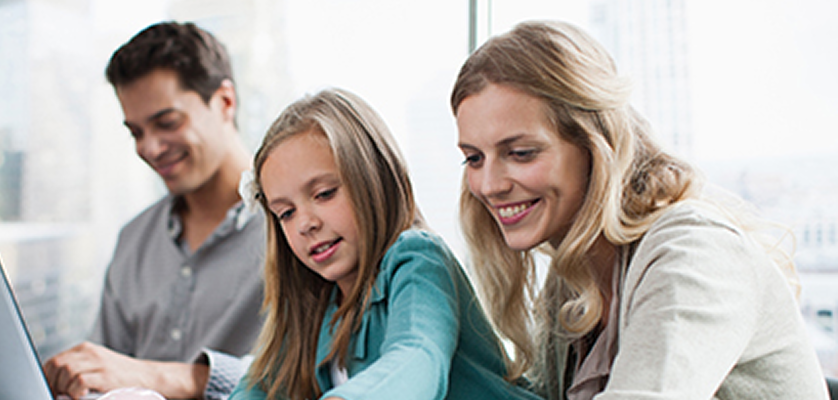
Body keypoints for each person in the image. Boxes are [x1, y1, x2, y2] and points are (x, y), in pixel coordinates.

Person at [451, 20, 830, 399]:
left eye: (520, 154)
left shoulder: (694, 254)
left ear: (596, 146)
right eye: (474, 159)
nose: (489, 185)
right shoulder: (573, 283)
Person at [229, 88, 540, 400]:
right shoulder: (317, 305)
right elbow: (260, 387)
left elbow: (418, 356)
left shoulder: (418, 259)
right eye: (286, 213)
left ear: (374, 180)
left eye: (324, 194)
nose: (305, 224)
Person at [43, 21, 265, 400]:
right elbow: (103, 378)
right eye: (136, 132)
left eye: (167, 123)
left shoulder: (296, 228)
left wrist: (161, 377)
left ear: (225, 102)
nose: (150, 148)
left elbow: (313, 375)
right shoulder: (134, 240)